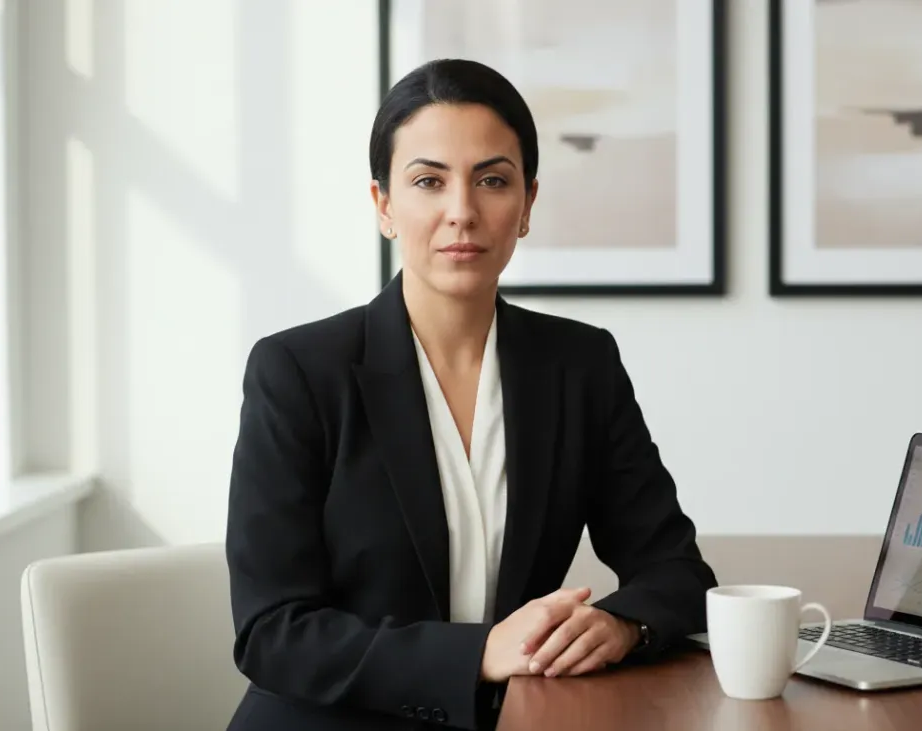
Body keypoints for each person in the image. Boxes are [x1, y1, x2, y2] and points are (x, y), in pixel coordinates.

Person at [223, 58, 717, 731]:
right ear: (384, 205)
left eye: (492, 180)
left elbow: (677, 572)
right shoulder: (297, 372)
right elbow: (271, 631)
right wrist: (479, 652)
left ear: (527, 205)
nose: (462, 211)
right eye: (429, 181)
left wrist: (622, 623)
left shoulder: (579, 365)